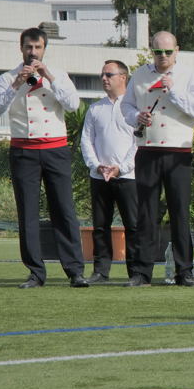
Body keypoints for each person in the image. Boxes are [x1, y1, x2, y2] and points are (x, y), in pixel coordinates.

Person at [0, 27, 88, 288]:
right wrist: (16, 84)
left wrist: (49, 77)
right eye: (28, 47)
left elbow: (73, 104)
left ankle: (75, 271)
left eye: (37, 47)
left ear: (44, 49)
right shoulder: (7, 78)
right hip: (23, 151)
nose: (33, 52)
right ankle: (36, 272)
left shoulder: (58, 74)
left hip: (55, 149)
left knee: (64, 210)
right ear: (21, 48)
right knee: (28, 213)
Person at [122, 31, 194, 287]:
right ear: (152, 51)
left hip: (178, 152)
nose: (163, 56)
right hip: (147, 149)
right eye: (158, 51)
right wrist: (136, 116)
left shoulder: (187, 75)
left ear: (177, 51)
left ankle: (184, 271)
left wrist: (175, 92)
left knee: (179, 212)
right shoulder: (140, 74)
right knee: (146, 213)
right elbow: (126, 106)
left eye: (168, 51)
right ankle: (142, 272)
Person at [81, 60, 139, 284]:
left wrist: (121, 168)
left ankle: (136, 272)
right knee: (100, 226)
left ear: (123, 77)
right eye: (102, 75)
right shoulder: (95, 108)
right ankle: (100, 272)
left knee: (133, 226)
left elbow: (138, 142)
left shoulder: (134, 108)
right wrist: (96, 165)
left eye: (109, 74)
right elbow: (86, 141)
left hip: (128, 177)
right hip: (99, 176)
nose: (104, 78)